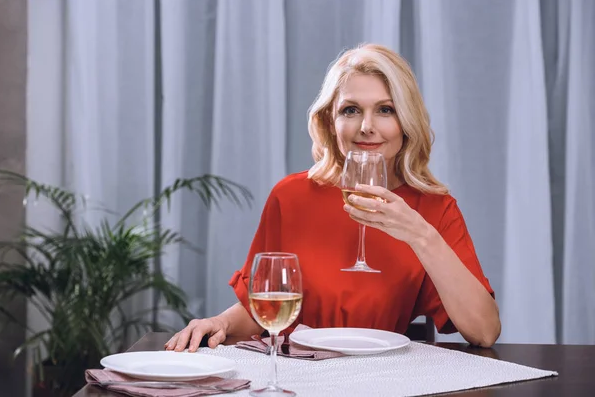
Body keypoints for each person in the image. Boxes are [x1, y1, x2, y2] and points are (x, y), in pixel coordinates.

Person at [165, 43, 501, 352]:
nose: (367, 126)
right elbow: (265, 309)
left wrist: (420, 234)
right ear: (330, 121)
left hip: (385, 379)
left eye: (385, 110)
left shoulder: (434, 209)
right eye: (351, 110)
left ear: (406, 122)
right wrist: (220, 322)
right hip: (298, 375)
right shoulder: (291, 196)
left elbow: (484, 333)